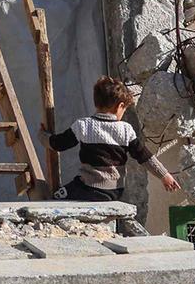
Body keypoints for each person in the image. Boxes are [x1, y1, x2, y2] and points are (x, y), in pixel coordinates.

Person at [48, 75, 180, 202]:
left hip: (88, 188)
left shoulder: (83, 125)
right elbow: (144, 156)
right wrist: (164, 175)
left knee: (57, 197)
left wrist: (43, 135)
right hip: (114, 191)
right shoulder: (126, 130)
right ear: (120, 106)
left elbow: (58, 144)